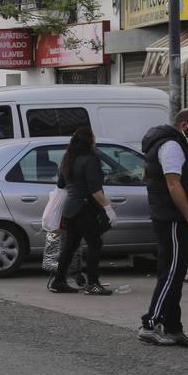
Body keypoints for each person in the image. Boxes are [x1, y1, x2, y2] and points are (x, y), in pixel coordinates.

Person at [139, 109, 188, 348]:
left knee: (172, 274)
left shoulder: (158, 144)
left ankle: (173, 326)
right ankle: (151, 323)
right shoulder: (171, 146)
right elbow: (173, 183)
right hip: (173, 219)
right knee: (171, 274)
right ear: (184, 125)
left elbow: (146, 175)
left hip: (165, 215)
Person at [46, 126, 115, 296]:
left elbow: (61, 183)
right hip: (85, 208)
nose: (95, 140)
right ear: (88, 141)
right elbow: (94, 189)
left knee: (71, 244)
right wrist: (108, 208)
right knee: (95, 243)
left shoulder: (68, 157)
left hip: (71, 208)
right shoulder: (90, 159)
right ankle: (93, 284)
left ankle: (58, 281)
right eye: (93, 137)